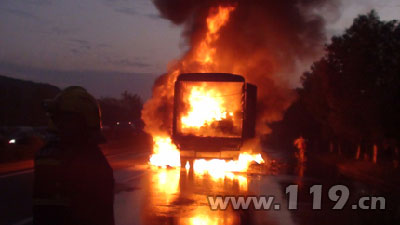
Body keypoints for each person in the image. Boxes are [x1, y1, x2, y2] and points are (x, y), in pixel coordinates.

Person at [33, 86, 115, 225]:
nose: (58, 124)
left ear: (82, 121)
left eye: (64, 119)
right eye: (56, 118)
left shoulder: (46, 154)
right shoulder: (94, 161)